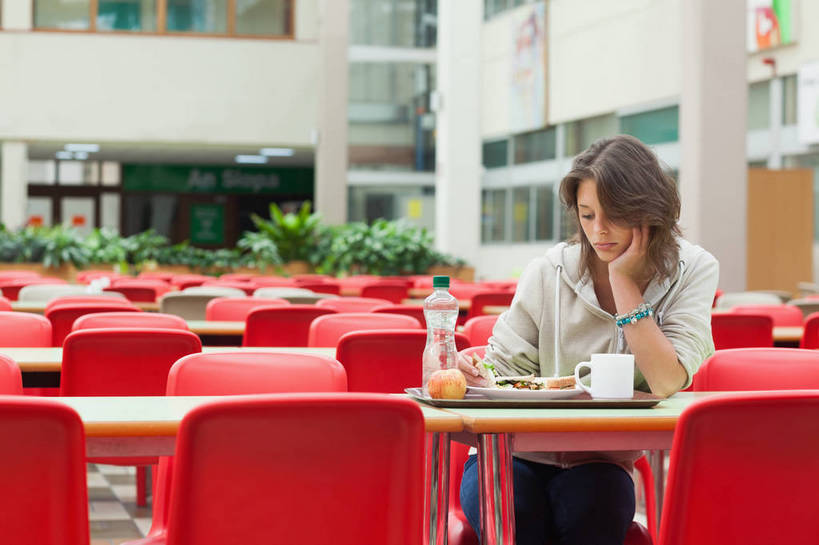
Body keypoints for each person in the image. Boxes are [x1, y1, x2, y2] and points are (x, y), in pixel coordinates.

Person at [458, 134, 719, 544]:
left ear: (649, 211)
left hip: (601, 461)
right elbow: (503, 368)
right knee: (516, 515)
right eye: (587, 215)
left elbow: (667, 380)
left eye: (614, 215)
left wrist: (624, 283)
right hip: (511, 455)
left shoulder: (692, 269)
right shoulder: (549, 271)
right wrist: (476, 372)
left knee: (593, 510)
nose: (599, 231)